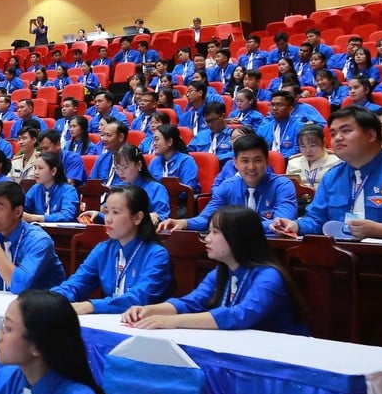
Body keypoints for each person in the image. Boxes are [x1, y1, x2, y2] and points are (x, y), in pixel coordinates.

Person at [125, 206, 308, 335]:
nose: (207, 239)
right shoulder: (221, 272)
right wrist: (148, 310)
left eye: (215, 232)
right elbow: (191, 302)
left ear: (238, 237)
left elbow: (241, 315)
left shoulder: (269, 276)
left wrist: (172, 321)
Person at [272, 107, 382, 241]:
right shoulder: (332, 176)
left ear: (371, 135)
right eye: (333, 133)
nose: (337, 138)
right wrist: (296, 226)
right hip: (341, 260)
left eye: (346, 131)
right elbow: (316, 219)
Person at [57, 186, 172, 315]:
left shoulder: (156, 255)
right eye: (106, 212)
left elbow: (139, 298)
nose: (108, 219)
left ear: (137, 218)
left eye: (115, 212)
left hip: (145, 323)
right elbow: (75, 285)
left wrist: (91, 306)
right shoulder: (103, 249)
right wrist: (50, 300)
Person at [160, 134, 296, 235]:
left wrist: (236, 227)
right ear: (235, 163)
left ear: (267, 161)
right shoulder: (227, 186)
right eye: (245, 161)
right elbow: (207, 219)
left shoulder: (282, 186)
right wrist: (184, 223)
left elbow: (282, 222)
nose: (251, 167)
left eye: (257, 160)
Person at [0, 182, 65, 293]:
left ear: (17, 212)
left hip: (43, 302)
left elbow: (19, 286)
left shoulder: (39, 241)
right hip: (7, 301)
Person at [84, 145, 170, 223]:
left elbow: (163, 217)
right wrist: (98, 215)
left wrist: (154, 217)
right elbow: (114, 217)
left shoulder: (156, 188)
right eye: (117, 168)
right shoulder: (118, 188)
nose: (120, 172)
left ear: (139, 165)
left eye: (124, 167)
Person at [23, 152, 80, 223]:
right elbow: (21, 207)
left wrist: (36, 218)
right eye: (35, 168)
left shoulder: (68, 190)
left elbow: (67, 215)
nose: (35, 172)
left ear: (53, 171)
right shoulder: (35, 188)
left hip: (62, 230)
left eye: (40, 168)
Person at [284, 124, 341, 189]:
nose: (308, 151)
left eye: (313, 146)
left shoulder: (336, 162)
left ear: (323, 143)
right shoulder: (293, 162)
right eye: (303, 146)